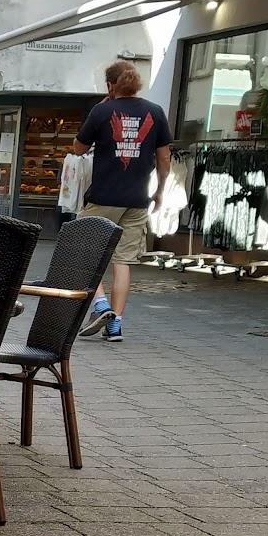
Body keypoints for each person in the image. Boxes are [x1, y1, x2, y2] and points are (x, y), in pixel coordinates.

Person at [73, 61, 172, 341]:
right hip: (137, 200)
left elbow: (78, 149)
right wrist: (160, 190)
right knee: (122, 261)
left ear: (110, 85)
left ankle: (101, 304)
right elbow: (164, 159)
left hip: (103, 197)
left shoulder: (102, 110)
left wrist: (102, 110)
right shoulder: (155, 112)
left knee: (84, 251)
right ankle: (115, 324)